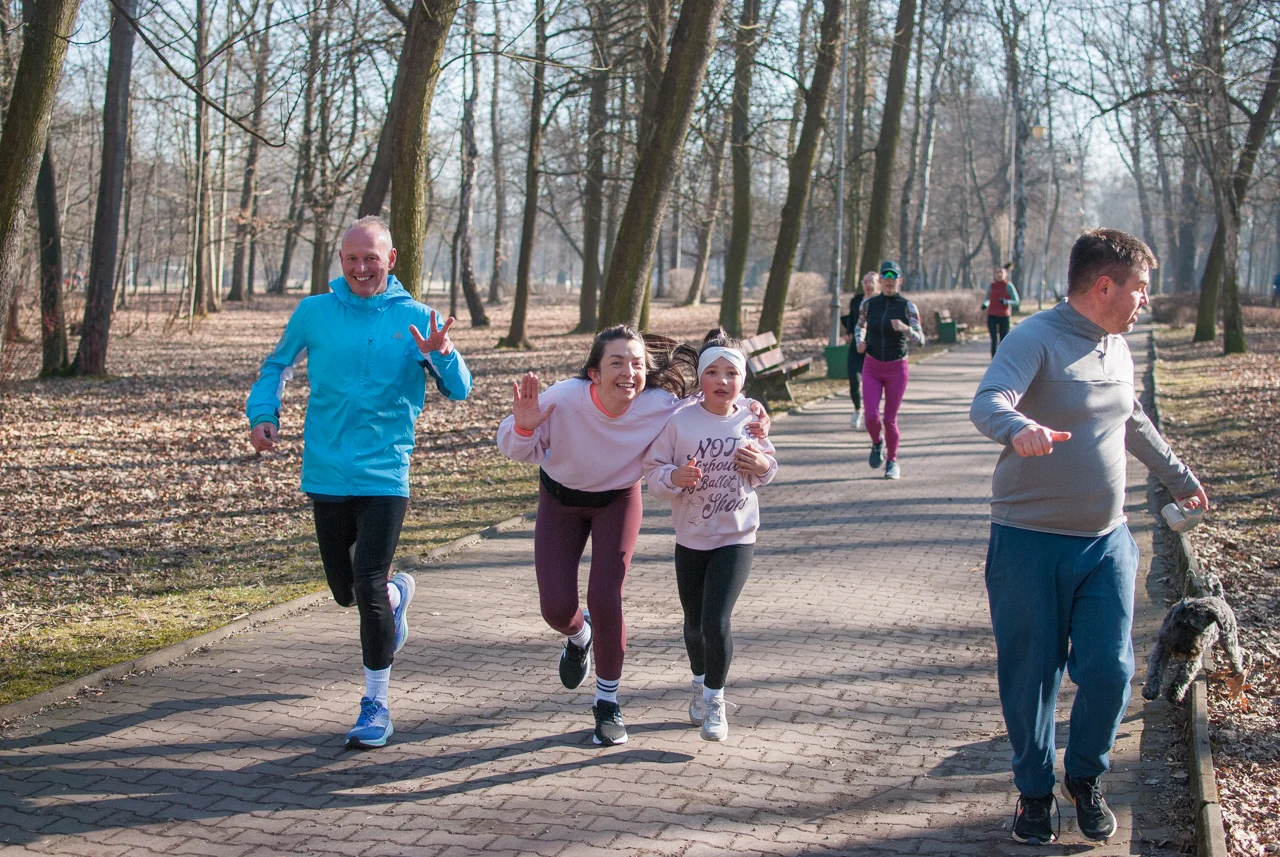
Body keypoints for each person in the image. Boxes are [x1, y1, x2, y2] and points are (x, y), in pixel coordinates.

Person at [970, 228, 1208, 845]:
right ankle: (1033, 792)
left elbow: (1132, 418)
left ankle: (1086, 777)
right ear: (1105, 286)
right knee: (1032, 675)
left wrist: (1179, 477)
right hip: (1029, 541)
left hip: (1106, 541)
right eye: (1140, 289)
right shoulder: (1036, 338)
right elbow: (988, 401)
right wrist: (1017, 427)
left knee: (1110, 668)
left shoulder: (1118, 346)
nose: (1145, 300)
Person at [245, 216, 472, 750]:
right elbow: (275, 367)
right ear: (341, 261)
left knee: (366, 584)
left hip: (386, 471)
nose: (361, 268)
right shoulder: (314, 312)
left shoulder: (417, 318)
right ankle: (397, 594)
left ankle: (376, 705)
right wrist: (263, 414)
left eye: (371, 258)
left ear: (390, 259)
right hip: (326, 470)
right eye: (352, 259)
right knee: (346, 592)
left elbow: (460, 389)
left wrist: (441, 353)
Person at [495, 326, 769, 746]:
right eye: (617, 363)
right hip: (560, 500)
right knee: (556, 609)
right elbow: (514, 448)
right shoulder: (563, 398)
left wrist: (754, 411)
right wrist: (525, 428)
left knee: (605, 598)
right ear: (594, 372)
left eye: (638, 364)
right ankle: (579, 636)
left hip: (617, 501)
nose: (629, 372)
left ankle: (607, 703)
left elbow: (715, 402)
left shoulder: (657, 404)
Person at [643, 330, 778, 742]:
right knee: (694, 624)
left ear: (743, 379)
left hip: (737, 536)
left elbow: (768, 467)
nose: (722, 380)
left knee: (716, 620)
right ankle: (699, 682)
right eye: (713, 372)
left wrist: (761, 464)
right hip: (691, 537)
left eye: (732, 373)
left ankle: (715, 701)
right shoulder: (679, 422)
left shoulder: (750, 418)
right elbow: (654, 473)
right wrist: (675, 477)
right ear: (700, 377)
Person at [854, 260, 925, 480]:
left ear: (900, 281)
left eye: (894, 277)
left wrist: (906, 329)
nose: (889, 280)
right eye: (886, 276)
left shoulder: (907, 306)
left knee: (889, 420)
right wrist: (859, 341)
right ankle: (877, 442)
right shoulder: (869, 304)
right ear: (881, 280)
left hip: (897, 368)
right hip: (872, 366)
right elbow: (860, 326)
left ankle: (892, 462)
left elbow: (921, 340)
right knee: (870, 416)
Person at [842, 271, 879, 430]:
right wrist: (849, 332)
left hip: (874, 347)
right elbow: (852, 318)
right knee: (854, 380)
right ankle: (858, 410)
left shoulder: (880, 302)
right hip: (856, 346)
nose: (868, 285)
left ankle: (871, 415)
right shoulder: (856, 300)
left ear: (877, 284)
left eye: (871, 282)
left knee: (872, 384)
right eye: (865, 282)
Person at [982, 264, 1021, 356]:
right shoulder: (991, 286)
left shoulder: (1008, 286)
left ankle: (1003, 358)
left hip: (1004, 315)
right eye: (997, 272)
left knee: (1003, 339)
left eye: (1001, 273)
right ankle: (994, 359)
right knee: (993, 339)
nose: (999, 274)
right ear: (995, 274)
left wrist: (1006, 302)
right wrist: (985, 304)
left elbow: (1016, 301)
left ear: (1005, 274)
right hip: (992, 315)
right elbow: (987, 298)